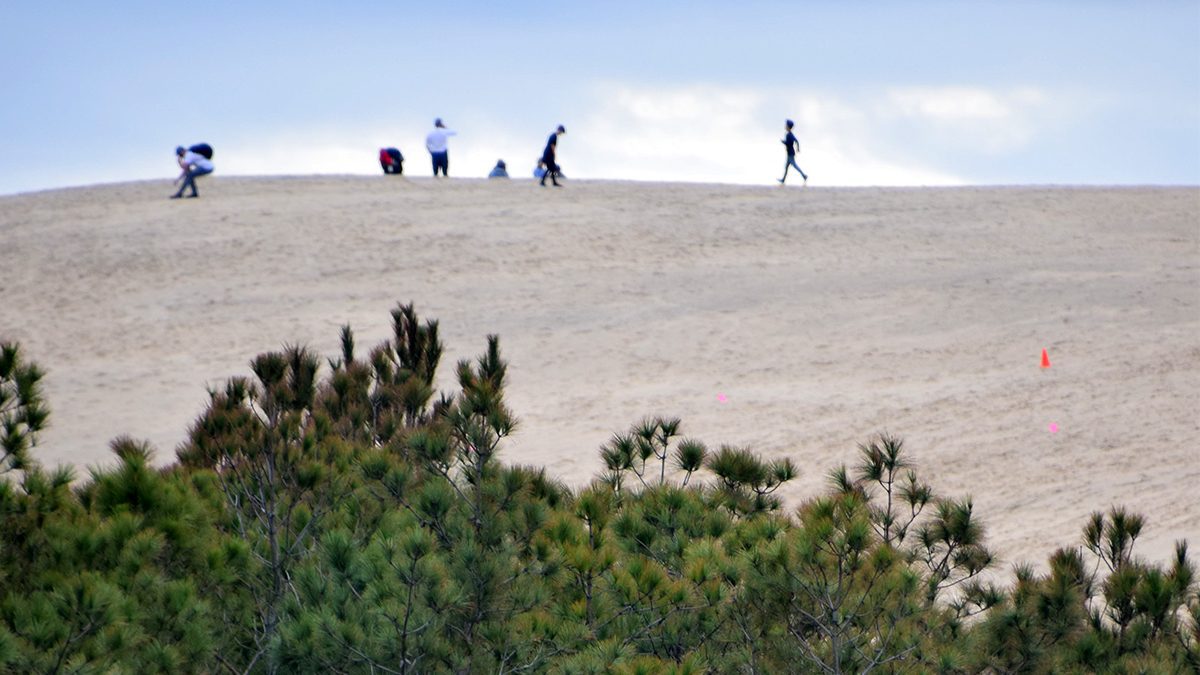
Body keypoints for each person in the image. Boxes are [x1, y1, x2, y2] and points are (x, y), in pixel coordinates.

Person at [778, 119, 808, 185]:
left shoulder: (789, 135)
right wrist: (798, 148)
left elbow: (792, 142)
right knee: (786, 167)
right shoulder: (789, 134)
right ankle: (783, 180)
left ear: (788, 127)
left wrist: (784, 142)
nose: (785, 126)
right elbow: (795, 141)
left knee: (794, 166)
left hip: (790, 154)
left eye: (786, 125)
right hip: (789, 153)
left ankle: (804, 176)